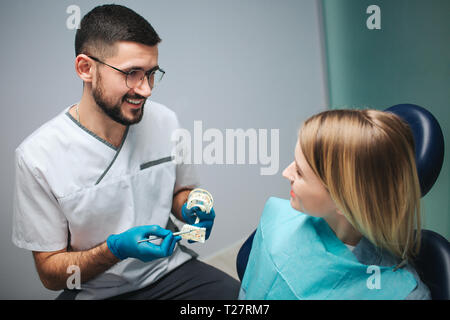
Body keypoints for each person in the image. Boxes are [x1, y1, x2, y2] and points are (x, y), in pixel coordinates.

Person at [12, 4, 239, 300]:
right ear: (85, 68)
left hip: (168, 272)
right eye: (132, 73)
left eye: (151, 74)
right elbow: (51, 274)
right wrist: (114, 249)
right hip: (94, 290)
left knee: (244, 300)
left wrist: (190, 207)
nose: (145, 89)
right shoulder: (37, 157)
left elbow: (180, 190)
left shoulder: (165, 121)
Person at [239, 109, 431, 300]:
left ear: (343, 201)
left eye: (299, 172)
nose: (286, 173)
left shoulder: (401, 294)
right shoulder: (280, 216)